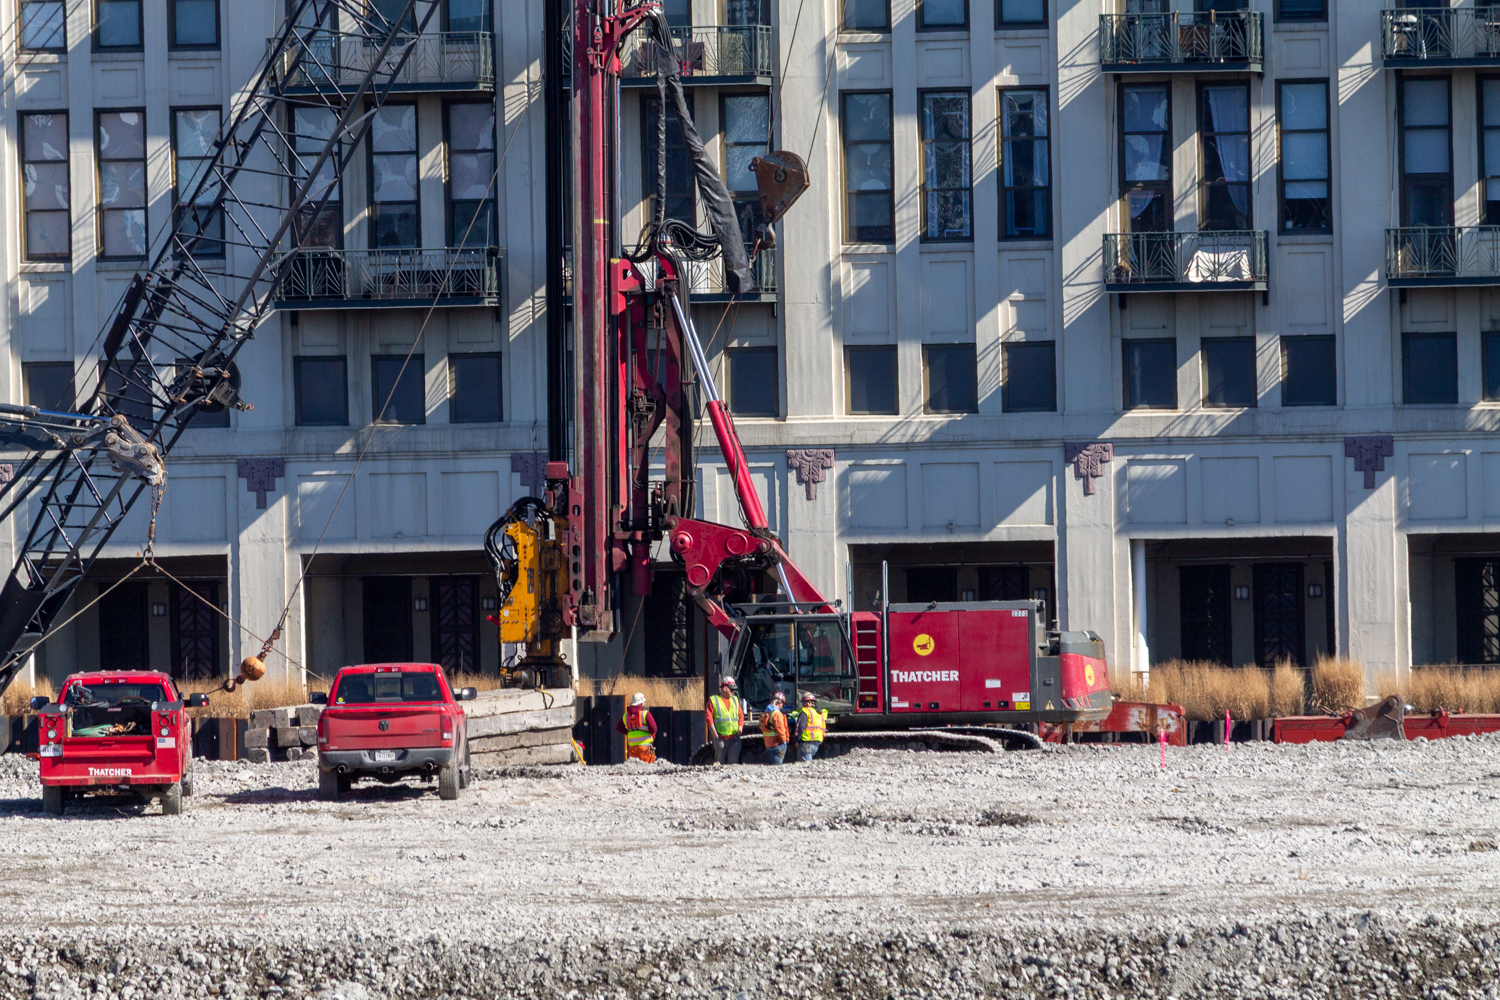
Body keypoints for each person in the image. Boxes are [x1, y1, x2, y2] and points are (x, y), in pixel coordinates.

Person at [705, 677, 745, 765]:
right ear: (724, 688)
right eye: (731, 689)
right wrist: (715, 734)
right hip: (720, 737)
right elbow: (708, 717)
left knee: (733, 763)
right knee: (720, 763)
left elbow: (740, 715)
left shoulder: (734, 699)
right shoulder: (714, 700)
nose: (733, 692)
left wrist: (740, 729)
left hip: (734, 737)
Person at [616, 693, 658, 763]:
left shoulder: (625, 716)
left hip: (632, 748)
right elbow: (654, 729)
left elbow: (618, 727)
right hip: (645, 747)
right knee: (647, 769)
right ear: (641, 704)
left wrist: (629, 732)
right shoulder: (645, 714)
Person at [792, 691, 828, 762]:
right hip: (816, 744)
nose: (802, 705)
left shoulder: (805, 711)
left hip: (806, 743)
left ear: (809, 702)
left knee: (804, 766)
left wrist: (795, 740)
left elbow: (800, 728)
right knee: (809, 767)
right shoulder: (820, 713)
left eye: (803, 702)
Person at [760, 690, 789, 765]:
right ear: (779, 703)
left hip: (768, 744)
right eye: (782, 703)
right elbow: (780, 730)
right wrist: (784, 741)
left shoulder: (766, 712)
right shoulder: (777, 713)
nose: (782, 706)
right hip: (777, 744)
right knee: (777, 769)